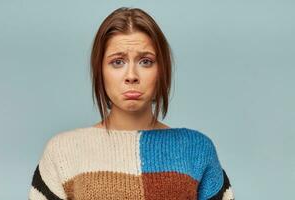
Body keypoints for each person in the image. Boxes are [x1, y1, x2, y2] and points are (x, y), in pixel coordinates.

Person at [28, 7, 235, 200]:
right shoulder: (62, 151)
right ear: (100, 70)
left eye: (146, 61)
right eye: (117, 62)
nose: (131, 76)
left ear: (161, 70)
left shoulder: (197, 149)